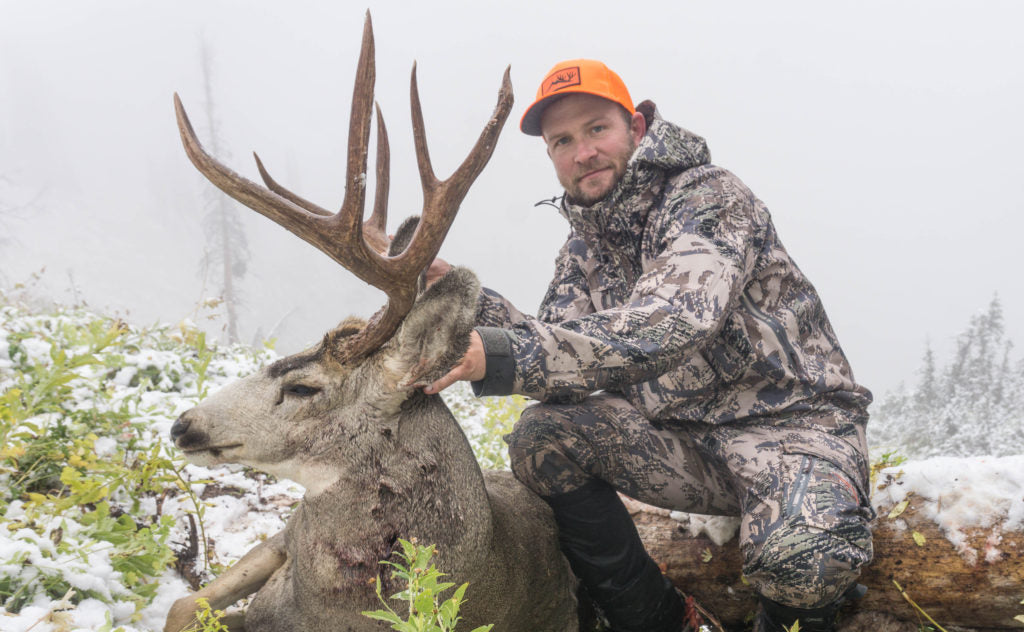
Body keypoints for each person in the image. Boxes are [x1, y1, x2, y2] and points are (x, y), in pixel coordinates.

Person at [422, 59, 875, 632]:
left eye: (596, 129)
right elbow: (568, 353)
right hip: (688, 447)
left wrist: (505, 355)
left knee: (803, 564)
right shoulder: (584, 249)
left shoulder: (708, 199)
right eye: (563, 140)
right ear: (551, 157)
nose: (582, 152)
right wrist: (468, 302)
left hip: (793, 431)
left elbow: (671, 325)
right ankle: (662, 620)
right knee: (544, 434)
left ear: (636, 129)